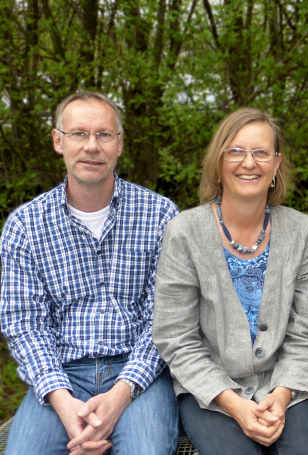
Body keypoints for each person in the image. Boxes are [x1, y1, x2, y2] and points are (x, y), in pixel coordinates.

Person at [0, 91, 179, 454]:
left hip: (138, 374)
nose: (92, 146)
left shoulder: (160, 215)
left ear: (119, 144)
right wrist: (64, 403)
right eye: (79, 134)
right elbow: (24, 324)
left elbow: (166, 318)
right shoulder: (25, 225)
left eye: (103, 134)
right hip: (60, 374)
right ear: (58, 141)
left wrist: (120, 393)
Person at [152, 107, 308, 455]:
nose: (249, 163)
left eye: (261, 152)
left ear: (276, 164)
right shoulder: (184, 232)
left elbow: (305, 332)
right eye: (235, 151)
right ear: (218, 162)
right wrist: (235, 405)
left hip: (289, 390)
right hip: (213, 394)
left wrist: (281, 395)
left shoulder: (301, 230)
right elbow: (176, 337)